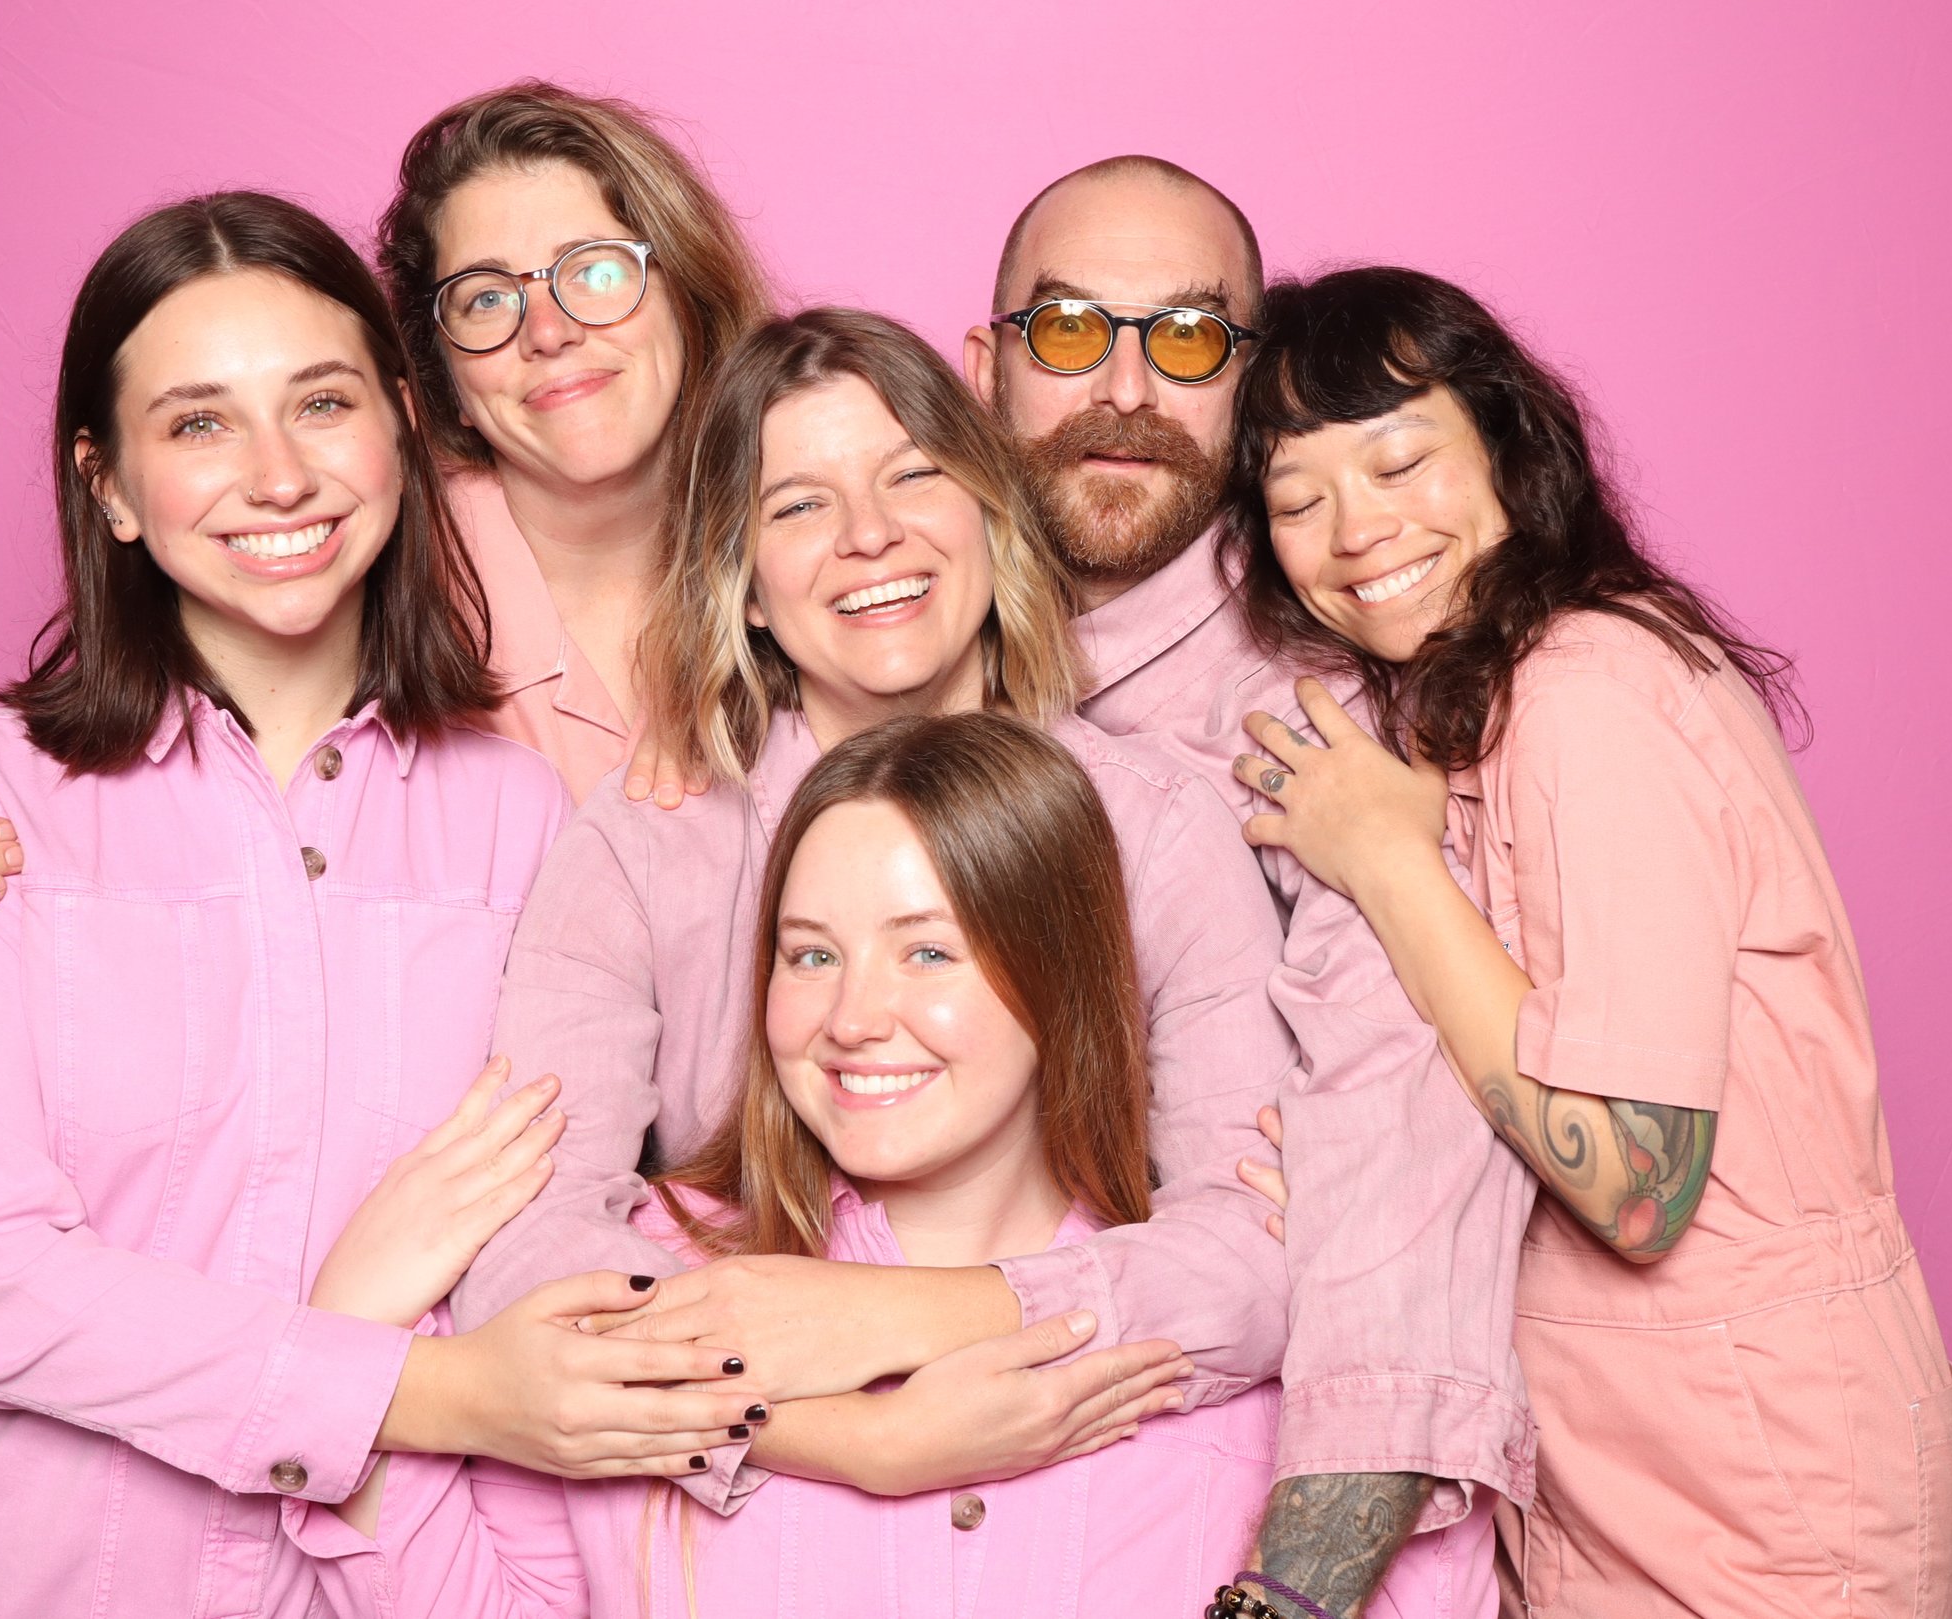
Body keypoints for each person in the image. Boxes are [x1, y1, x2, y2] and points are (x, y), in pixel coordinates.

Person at [0, 193, 762, 1617]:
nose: (277, 474)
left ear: (399, 426)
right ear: (110, 485)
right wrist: (433, 1384)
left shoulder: (522, 816)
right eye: (200, 423)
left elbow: (600, 1186)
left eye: (320, 403)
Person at [450, 308, 1342, 1537]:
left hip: (1100, 1493)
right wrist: (835, 1433)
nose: (870, 535)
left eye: (914, 475)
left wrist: (914, 1318)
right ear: (743, 587)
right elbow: (522, 1248)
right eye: (798, 505)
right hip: (746, 1528)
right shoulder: (643, 843)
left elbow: (1260, 1249)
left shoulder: (1159, 829)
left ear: (989, 514)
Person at [294, 714, 1469, 1617]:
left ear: (1057, 978)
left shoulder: (1259, 1351)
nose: (853, 1017)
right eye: (810, 955)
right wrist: (343, 1335)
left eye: (927, 951)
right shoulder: (629, 1305)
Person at [1222, 265, 1952, 1617]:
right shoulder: (1483, 702)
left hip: (1749, 1475)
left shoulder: (1588, 691)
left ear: (1508, 445)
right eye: (1296, 498)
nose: (1353, 528)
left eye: (1399, 460)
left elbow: (1636, 1179)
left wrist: (1388, 861)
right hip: (1606, 1453)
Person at [0, 80, 770, 1004]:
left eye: (597, 271)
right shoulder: (356, 550)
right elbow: (172, 832)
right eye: (486, 299)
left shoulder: (823, 530)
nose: (547, 329)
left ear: (682, 284)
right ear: (427, 381)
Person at [957, 159, 1537, 1619]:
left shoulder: (1318, 718)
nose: (1131, 385)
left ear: (1252, 378)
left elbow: (1410, 1162)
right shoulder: (888, 634)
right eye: (1074, 329)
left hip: (1254, 1529)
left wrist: (1291, 1594)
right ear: (987, 366)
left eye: (1193, 338)